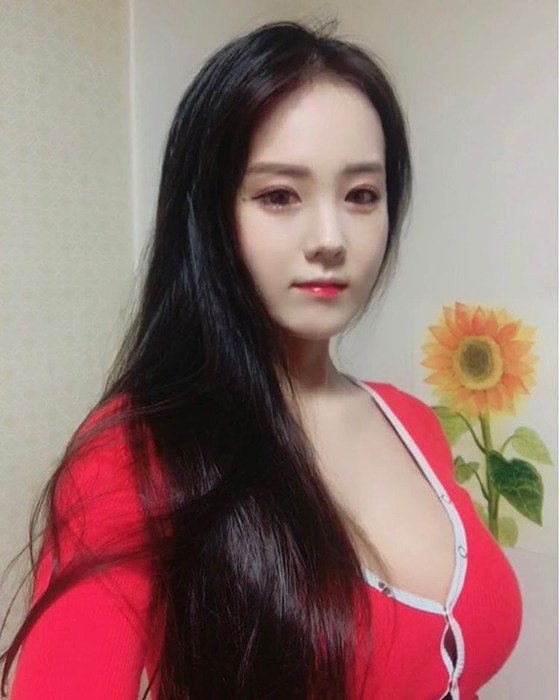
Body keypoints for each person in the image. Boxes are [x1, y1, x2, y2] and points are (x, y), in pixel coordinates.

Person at [0, 20, 521, 700]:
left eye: (362, 195)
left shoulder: (413, 423)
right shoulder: (132, 456)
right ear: (210, 218)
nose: (331, 238)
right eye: (279, 195)